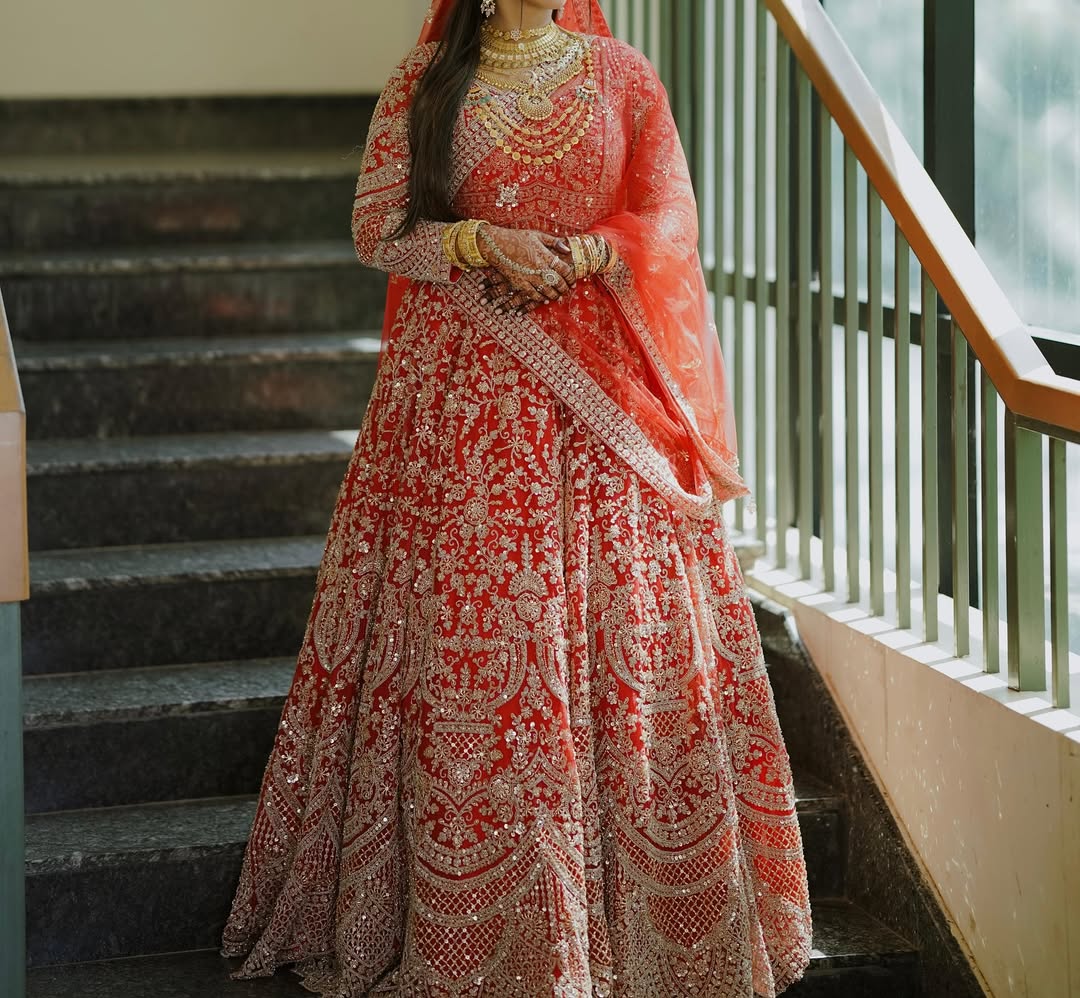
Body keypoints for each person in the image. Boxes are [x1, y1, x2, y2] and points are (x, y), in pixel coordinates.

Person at [221, 0, 813, 994]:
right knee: (479, 648)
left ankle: (641, 928)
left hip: (605, 405)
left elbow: (673, 218)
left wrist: (587, 252)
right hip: (460, 407)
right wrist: (477, 243)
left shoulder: (622, 74)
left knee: (626, 646)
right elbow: (376, 226)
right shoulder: (426, 83)